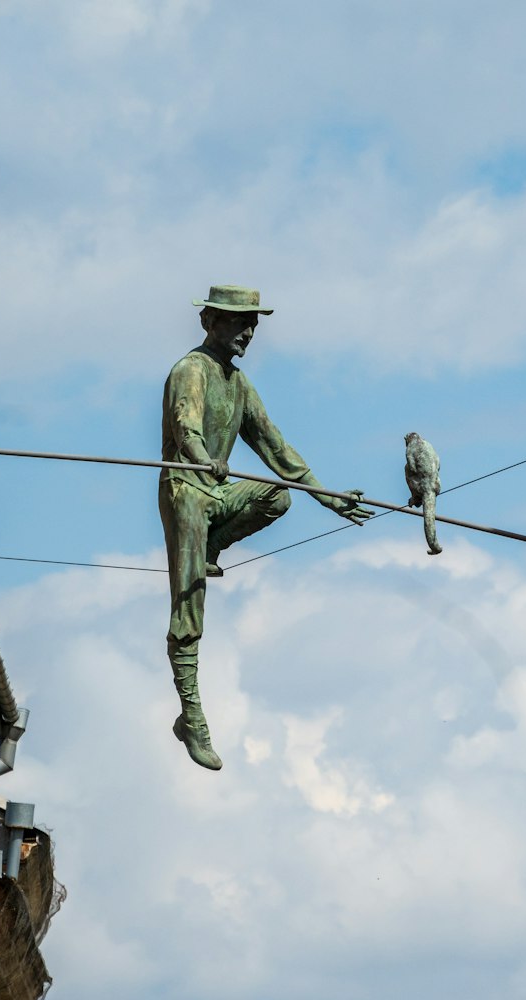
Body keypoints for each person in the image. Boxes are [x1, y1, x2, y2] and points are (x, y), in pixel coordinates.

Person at [160, 285, 374, 770]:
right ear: (211, 323)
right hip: (186, 492)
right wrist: (203, 460)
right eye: (239, 323)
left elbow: (276, 450)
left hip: (218, 493)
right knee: (189, 601)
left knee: (276, 494)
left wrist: (327, 495)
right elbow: (185, 427)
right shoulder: (189, 370)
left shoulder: (239, 385)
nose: (248, 333)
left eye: (252, 324)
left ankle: (215, 544)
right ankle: (191, 713)